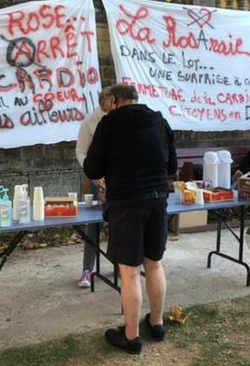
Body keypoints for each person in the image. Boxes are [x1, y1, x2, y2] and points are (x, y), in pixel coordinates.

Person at [83, 84, 177, 354]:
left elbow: (92, 168)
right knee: (155, 265)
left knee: (130, 272)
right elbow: (171, 166)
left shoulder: (109, 123)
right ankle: (157, 325)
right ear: (136, 99)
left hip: (126, 204)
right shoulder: (160, 120)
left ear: (114, 100)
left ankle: (132, 337)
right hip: (158, 201)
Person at [75, 87, 112, 288]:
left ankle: (121, 266)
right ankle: (87, 270)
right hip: (96, 178)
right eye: (104, 110)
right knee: (92, 225)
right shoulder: (90, 121)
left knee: (119, 223)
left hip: (118, 181)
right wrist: (93, 174)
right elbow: (81, 152)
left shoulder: (121, 119)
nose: (108, 113)